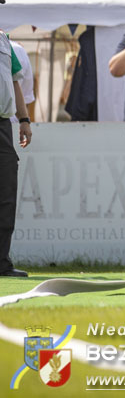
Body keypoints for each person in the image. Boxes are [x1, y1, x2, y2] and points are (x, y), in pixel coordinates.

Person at [0, 30, 33, 277]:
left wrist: (24, 119)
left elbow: (14, 82)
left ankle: (1, 262)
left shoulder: (4, 40)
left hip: (2, 125)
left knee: (6, 193)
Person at [9, 40, 35, 122]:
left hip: (10, 121)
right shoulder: (18, 49)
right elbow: (27, 97)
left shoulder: (15, 49)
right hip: (13, 121)